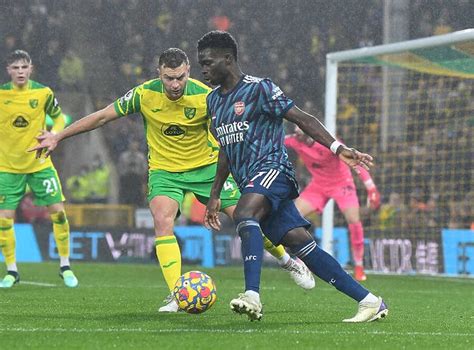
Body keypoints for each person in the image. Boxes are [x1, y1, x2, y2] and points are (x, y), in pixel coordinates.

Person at [30, 48, 315, 312]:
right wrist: (58, 135)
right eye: (169, 78)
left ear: (188, 71)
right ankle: (178, 295)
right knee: (163, 221)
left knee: (247, 219)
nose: (175, 84)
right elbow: (103, 116)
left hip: (205, 168)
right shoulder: (144, 94)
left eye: (180, 77)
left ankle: (288, 261)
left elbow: (234, 132)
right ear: (159, 73)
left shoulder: (206, 97)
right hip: (165, 171)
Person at [198, 31, 388, 322]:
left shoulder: (259, 89)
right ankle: (370, 300)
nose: (204, 69)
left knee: (245, 213)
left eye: (208, 62)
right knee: (300, 243)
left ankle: (252, 295)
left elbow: (302, 118)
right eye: (202, 64)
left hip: (274, 171)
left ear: (228, 59)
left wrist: (338, 148)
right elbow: (225, 149)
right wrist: (214, 195)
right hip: (251, 182)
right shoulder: (214, 101)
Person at [0, 50, 78, 288]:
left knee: (59, 213)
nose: (20, 72)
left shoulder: (43, 93)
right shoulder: (1, 95)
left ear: (31, 68)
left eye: (24, 67)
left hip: (40, 164)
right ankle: (11, 270)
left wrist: (54, 134)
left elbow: (60, 118)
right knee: (4, 220)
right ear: (8, 70)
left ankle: (65, 266)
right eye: (16, 68)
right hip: (8, 167)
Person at [285, 127, 381, 281]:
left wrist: (371, 187)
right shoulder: (293, 140)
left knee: (354, 221)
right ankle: (301, 259)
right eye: (295, 130)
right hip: (318, 185)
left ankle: (358, 265)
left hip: (341, 184)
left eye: (300, 131)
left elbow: (354, 162)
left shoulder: (326, 142)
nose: (297, 133)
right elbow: (274, 141)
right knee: (293, 217)